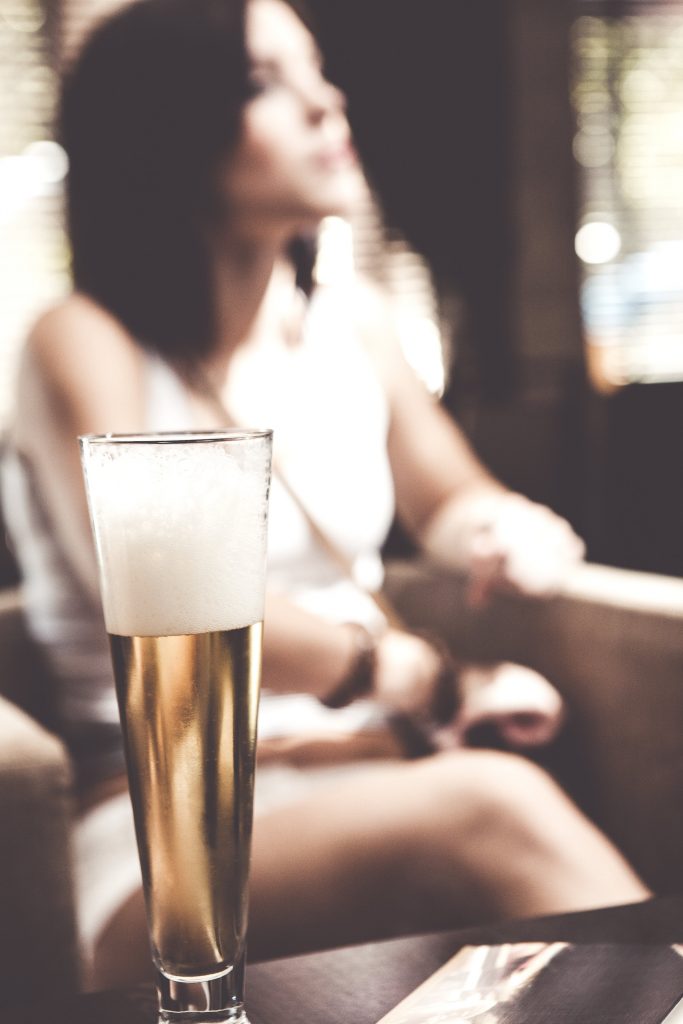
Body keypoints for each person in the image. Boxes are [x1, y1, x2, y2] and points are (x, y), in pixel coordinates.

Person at [2, 0, 648, 991]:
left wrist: (505, 529)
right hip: (168, 835)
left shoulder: (352, 322)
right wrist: (427, 678)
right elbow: (182, 602)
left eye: (316, 67)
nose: (325, 100)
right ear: (167, 129)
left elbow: (450, 499)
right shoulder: (81, 338)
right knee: (494, 803)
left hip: (379, 776)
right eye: (267, 80)